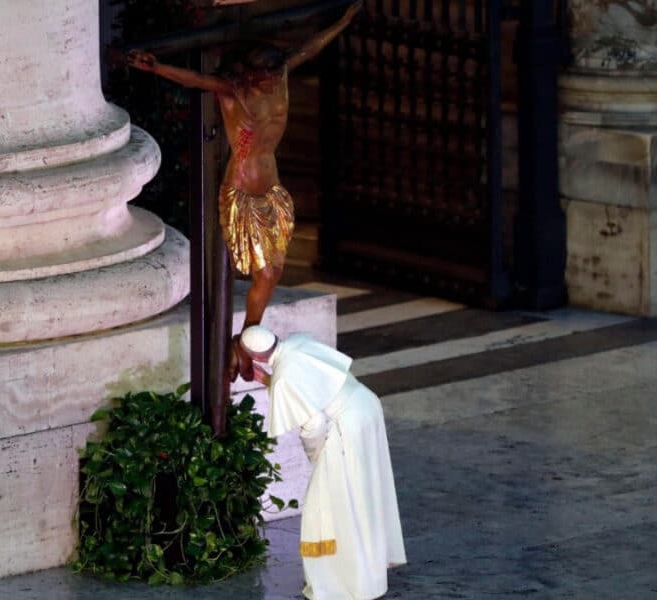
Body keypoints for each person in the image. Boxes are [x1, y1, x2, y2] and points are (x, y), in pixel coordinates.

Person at [125, 2, 362, 383]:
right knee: (263, 273)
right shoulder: (233, 92)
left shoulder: (281, 75)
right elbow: (194, 81)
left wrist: (343, 21)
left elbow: (310, 47)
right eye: (265, 75)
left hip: (271, 189)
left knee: (275, 272)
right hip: (243, 189)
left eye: (274, 73)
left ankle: (247, 338)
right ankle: (246, 338)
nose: (271, 80)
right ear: (251, 74)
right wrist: (155, 67)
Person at [240, 325, 406, 600]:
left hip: (345, 431)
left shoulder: (283, 379)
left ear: (255, 358)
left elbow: (314, 424)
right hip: (365, 406)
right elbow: (313, 382)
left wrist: (317, 455)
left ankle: (340, 584)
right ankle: (373, 570)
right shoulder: (298, 341)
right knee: (366, 494)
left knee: (327, 511)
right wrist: (270, 381)